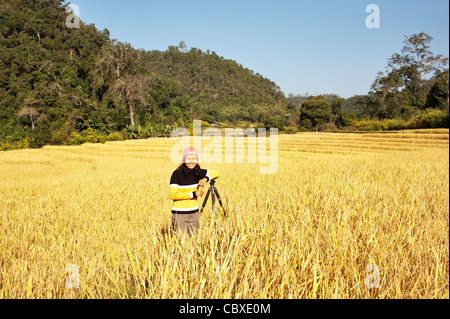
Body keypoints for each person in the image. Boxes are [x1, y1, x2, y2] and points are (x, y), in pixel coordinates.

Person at [169, 147, 219, 236]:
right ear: (184, 159)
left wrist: (205, 179)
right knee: (180, 241)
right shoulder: (177, 174)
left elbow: (216, 173)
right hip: (179, 214)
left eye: (194, 159)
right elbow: (173, 195)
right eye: (188, 158)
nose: (191, 161)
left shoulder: (198, 172)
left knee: (193, 240)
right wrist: (194, 194)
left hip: (194, 213)